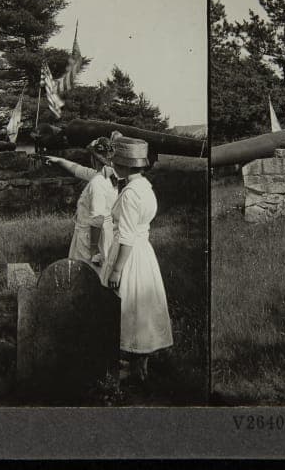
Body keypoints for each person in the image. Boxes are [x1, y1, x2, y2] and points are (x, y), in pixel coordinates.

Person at [102, 136, 173, 384]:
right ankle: (139, 365)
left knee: (129, 306)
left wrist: (116, 270)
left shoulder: (131, 194)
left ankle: (133, 366)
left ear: (124, 165)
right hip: (144, 252)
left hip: (130, 255)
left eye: (115, 162)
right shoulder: (145, 187)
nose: (112, 165)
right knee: (142, 307)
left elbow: (127, 236)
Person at [44, 138, 119, 277]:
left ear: (94, 159)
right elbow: (77, 169)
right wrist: (59, 160)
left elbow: (98, 219)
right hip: (105, 234)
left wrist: (94, 250)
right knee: (100, 275)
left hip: (91, 237)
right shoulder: (109, 175)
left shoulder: (97, 182)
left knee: (86, 276)